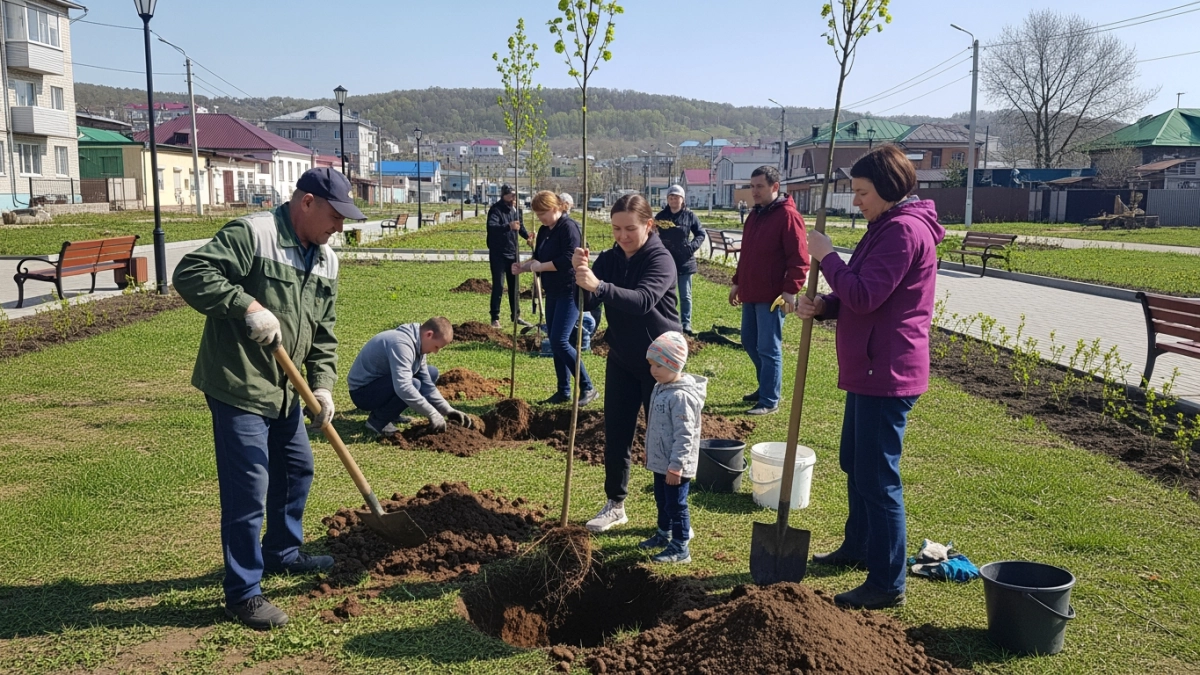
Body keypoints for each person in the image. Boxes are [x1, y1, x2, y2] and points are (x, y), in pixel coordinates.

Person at [172, 167, 363, 630]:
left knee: (298, 467)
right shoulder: (253, 234)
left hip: (286, 391)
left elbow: (324, 333)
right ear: (307, 203)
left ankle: (282, 551)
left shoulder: (325, 259)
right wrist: (247, 306)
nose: (340, 227)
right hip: (240, 385)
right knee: (248, 490)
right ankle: (243, 593)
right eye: (336, 216)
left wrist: (322, 385)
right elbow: (190, 272)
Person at [794, 145, 945, 610]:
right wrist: (823, 306)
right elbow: (858, 295)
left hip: (889, 371)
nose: (855, 201)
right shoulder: (883, 227)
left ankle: (887, 582)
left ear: (887, 188)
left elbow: (864, 294)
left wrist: (828, 256)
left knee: (878, 479)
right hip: (869, 369)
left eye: (861, 193)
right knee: (855, 465)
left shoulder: (903, 232)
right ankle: (857, 547)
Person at [572, 194, 681, 533]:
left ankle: (672, 516)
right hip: (621, 357)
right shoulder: (611, 258)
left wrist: (600, 285)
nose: (622, 236)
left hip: (660, 362)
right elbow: (589, 300)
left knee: (661, 440)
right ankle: (615, 505)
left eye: (630, 229)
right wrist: (581, 272)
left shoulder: (661, 260)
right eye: (616, 229)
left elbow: (644, 301)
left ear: (649, 225)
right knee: (617, 433)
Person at [729, 166, 809, 416]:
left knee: (767, 347)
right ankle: (765, 385)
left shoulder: (788, 216)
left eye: (759, 187)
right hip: (751, 292)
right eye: (752, 186)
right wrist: (737, 281)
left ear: (775, 187)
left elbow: (799, 258)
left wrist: (790, 291)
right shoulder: (755, 215)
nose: (754, 191)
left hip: (773, 297)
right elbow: (747, 255)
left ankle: (769, 399)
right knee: (749, 342)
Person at [513, 191, 599, 406]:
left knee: (560, 341)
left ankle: (588, 386)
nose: (540, 217)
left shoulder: (569, 228)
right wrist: (522, 267)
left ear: (555, 208)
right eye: (537, 213)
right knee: (555, 340)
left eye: (543, 212)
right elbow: (539, 258)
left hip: (570, 290)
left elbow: (570, 257)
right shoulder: (544, 230)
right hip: (552, 291)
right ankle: (563, 391)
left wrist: (541, 267)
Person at [638, 331, 706, 564]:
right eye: (651, 364)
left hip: (676, 466)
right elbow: (657, 426)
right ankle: (663, 533)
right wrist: (651, 449)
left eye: (659, 365)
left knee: (676, 505)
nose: (653, 370)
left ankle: (680, 546)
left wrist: (677, 466)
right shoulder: (661, 387)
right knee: (661, 499)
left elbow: (686, 435)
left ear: (674, 364)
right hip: (661, 461)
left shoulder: (681, 397)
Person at [347, 317, 475, 436]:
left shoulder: (417, 343)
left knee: (430, 373)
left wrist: (447, 410)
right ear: (429, 334)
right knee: (413, 384)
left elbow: (427, 385)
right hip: (363, 393)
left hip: (380, 385)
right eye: (436, 346)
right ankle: (377, 422)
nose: (435, 352)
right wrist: (432, 413)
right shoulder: (401, 345)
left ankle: (391, 413)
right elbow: (404, 387)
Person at [655, 185, 706, 335]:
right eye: (671, 197)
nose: (673, 200)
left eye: (677, 197)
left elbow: (700, 234)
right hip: (666, 261)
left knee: (685, 295)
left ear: (683, 199)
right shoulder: (661, 217)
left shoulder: (690, 216)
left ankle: (686, 323)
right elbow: (653, 234)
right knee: (664, 294)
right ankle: (667, 321)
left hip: (684, 261)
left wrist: (691, 248)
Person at [486, 185, 533, 330]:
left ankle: (516, 315)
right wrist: (508, 226)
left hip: (513, 253)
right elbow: (492, 227)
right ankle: (495, 318)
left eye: (515, 195)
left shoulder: (516, 210)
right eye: (511, 195)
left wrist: (527, 236)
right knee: (499, 286)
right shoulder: (496, 210)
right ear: (504, 195)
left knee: (514, 286)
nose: (514, 198)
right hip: (498, 254)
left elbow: (520, 227)